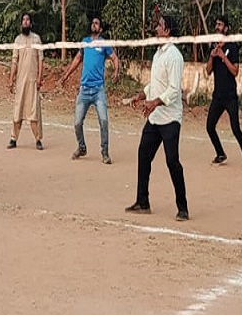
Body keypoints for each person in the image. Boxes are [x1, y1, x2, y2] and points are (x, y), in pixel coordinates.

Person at [125, 14, 189, 221]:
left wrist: (154, 103)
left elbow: (174, 90)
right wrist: (141, 95)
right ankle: (142, 201)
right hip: (155, 118)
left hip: (170, 118)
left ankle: (183, 208)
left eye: (160, 25)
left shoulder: (174, 56)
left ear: (167, 31)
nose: (156, 28)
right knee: (143, 154)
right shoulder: (158, 54)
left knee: (172, 161)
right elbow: (155, 84)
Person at [59, 15, 120, 164]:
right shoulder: (85, 42)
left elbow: (115, 58)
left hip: (98, 90)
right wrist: (65, 76)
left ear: (101, 28)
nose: (94, 25)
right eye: (93, 23)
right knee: (77, 123)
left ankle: (105, 152)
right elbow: (77, 59)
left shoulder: (104, 44)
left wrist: (116, 71)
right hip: (84, 90)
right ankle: (82, 147)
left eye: (97, 23)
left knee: (104, 121)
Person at [205, 15, 242, 170]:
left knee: (235, 129)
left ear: (226, 28)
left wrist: (223, 57)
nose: (217, 27)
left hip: (230, 97)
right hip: (218, 96)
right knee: (209, 126)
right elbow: (208, 71)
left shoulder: (232, 47)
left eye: (220, 25)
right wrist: (212, 56)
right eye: (216, 24)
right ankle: (220, 154)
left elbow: (235, 71)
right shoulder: (213, 46)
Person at [7, 13, 44, 150]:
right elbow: (14, 61)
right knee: (18, 109)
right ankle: (13, 139)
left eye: (28, 20)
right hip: (20, 82)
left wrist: (39, 78)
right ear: (21, 23)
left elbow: (41, 60)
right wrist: (11, 80)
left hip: (33, 82)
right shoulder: (17, 40)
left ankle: (38, 139)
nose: (25, 22)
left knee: (34, 111)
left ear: (31, 23)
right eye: (23, 20)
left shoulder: (37, 39)